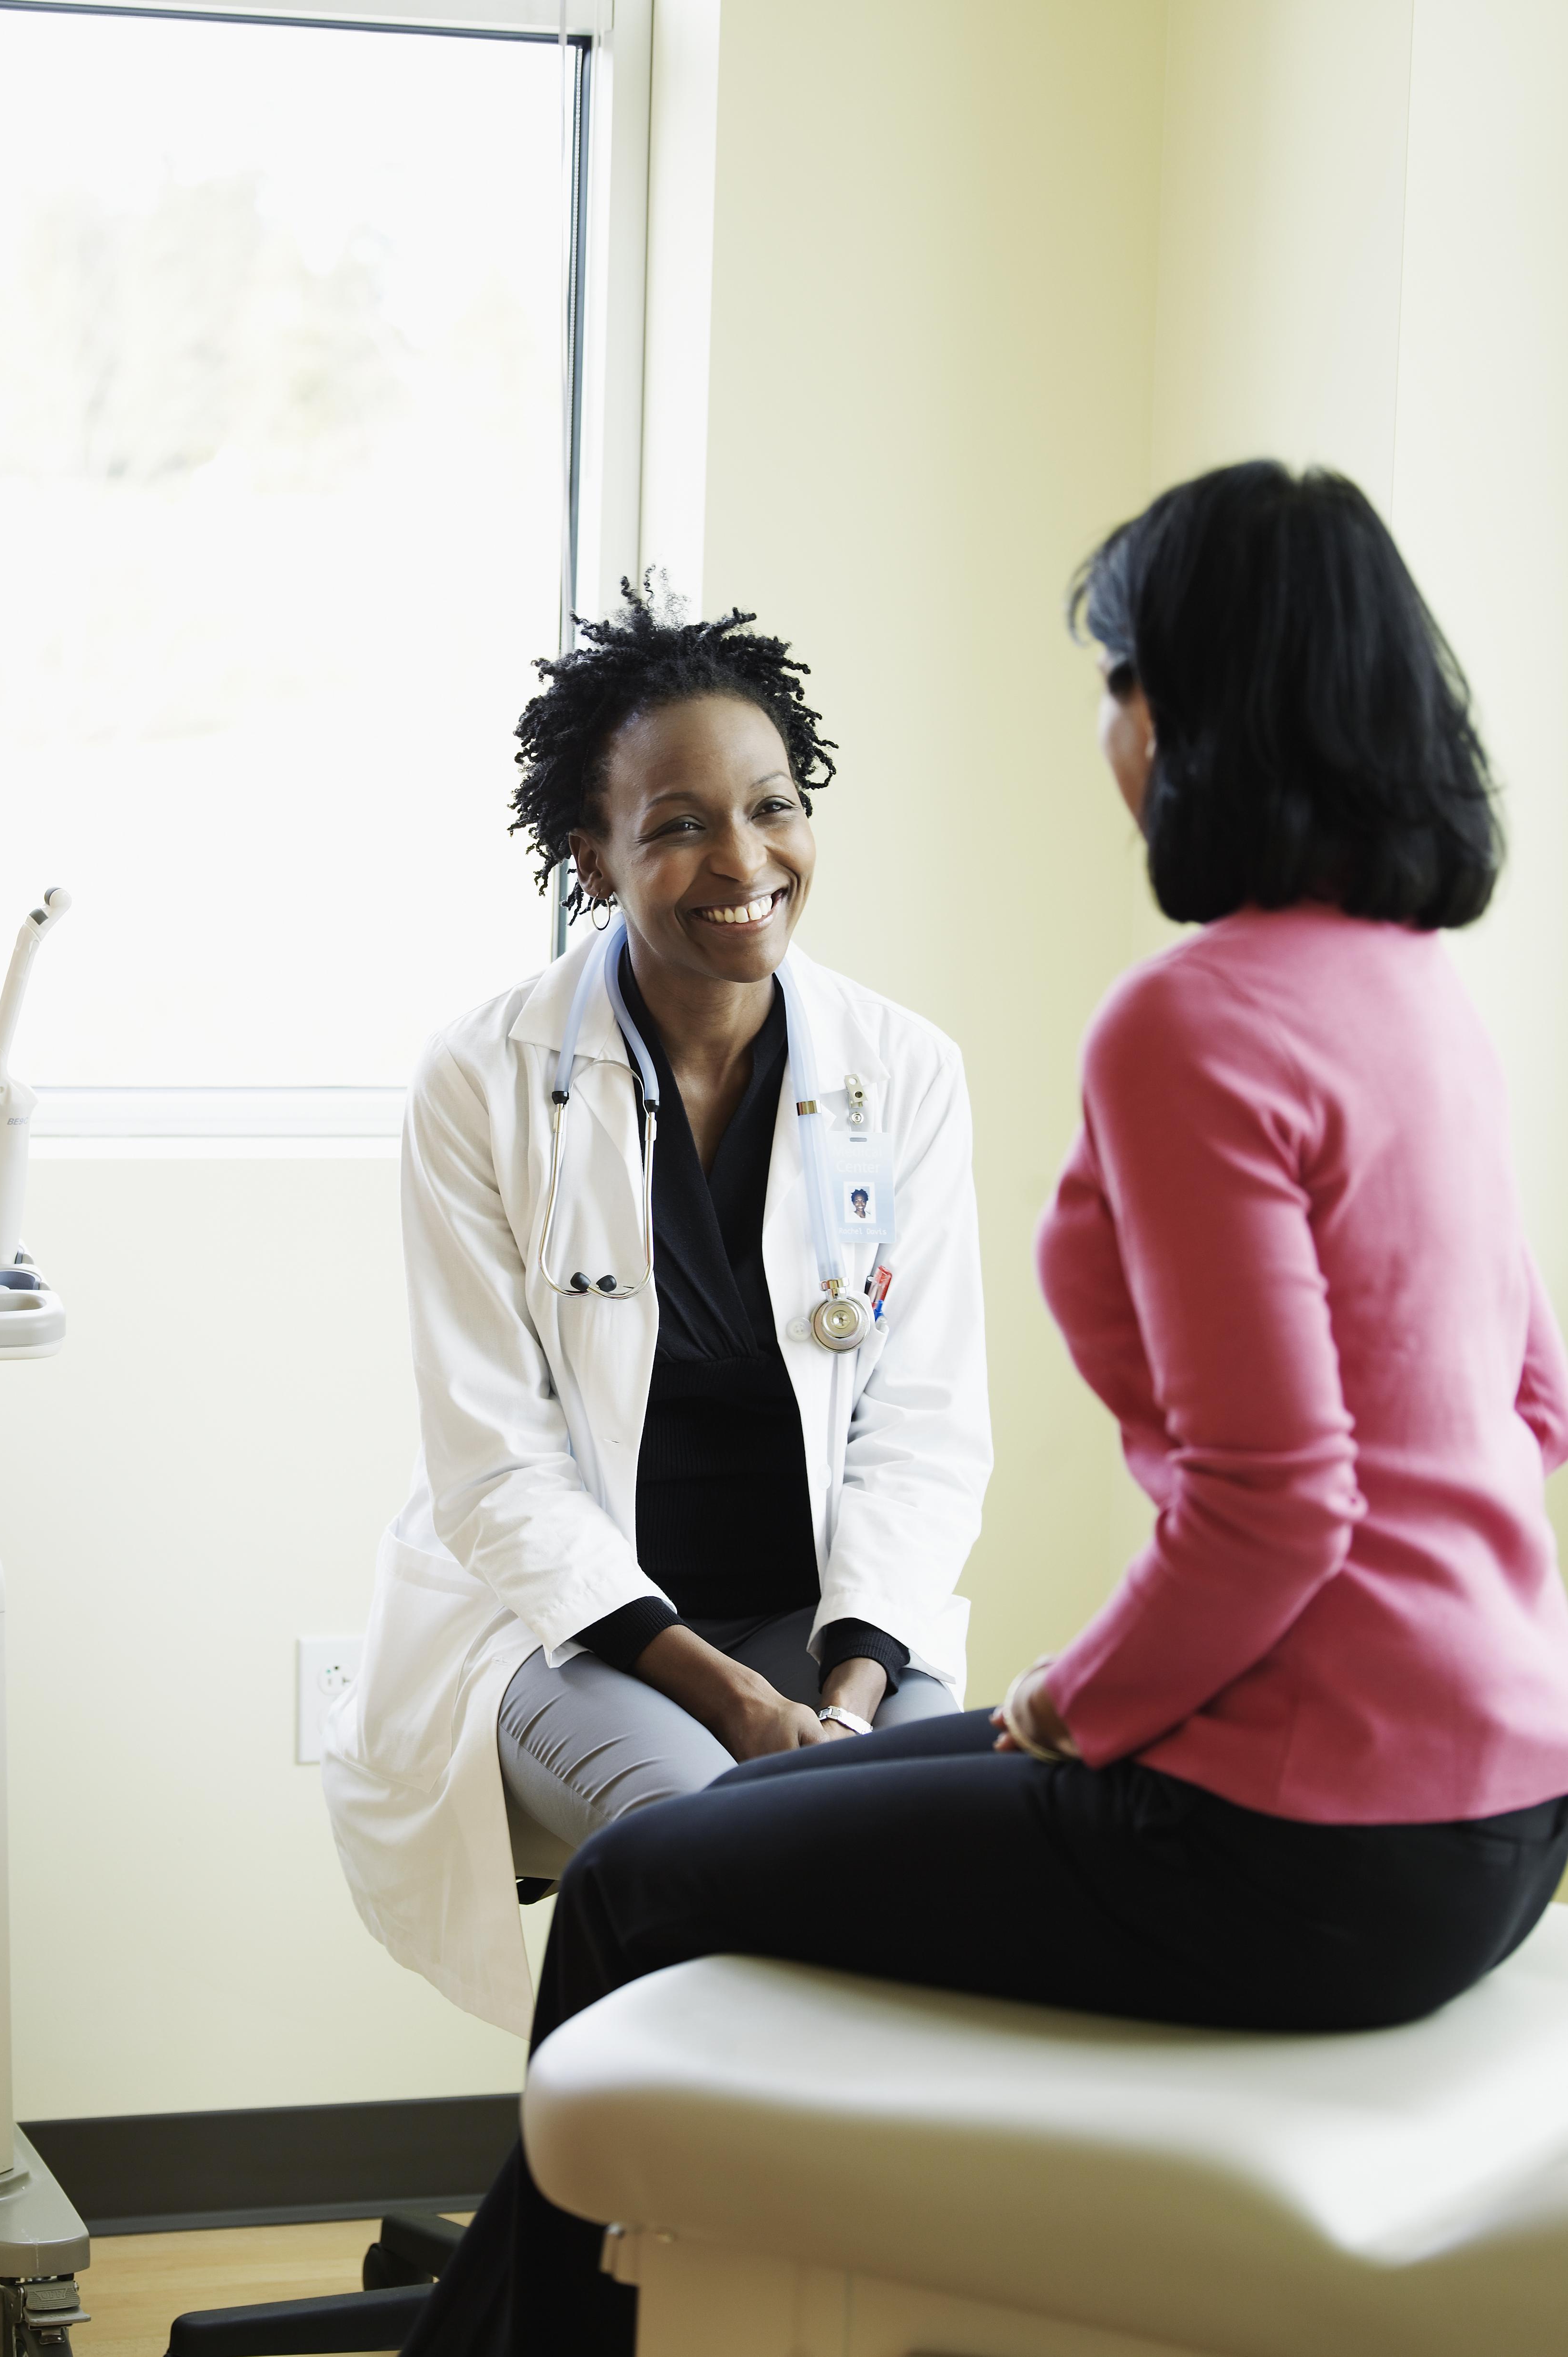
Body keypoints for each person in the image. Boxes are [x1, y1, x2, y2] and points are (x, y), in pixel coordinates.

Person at [397, 462, 1568, 2357]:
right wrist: (1351, 1672)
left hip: (1291, 1842)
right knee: (700, 1842)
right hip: (1509, 1815)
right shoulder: (1420, 997)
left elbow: (1273, 1512)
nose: (1108, 727)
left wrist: (1083, 1702)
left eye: (1120, 681)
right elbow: (1523, 1405)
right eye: (679, 824)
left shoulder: (1185, 1021)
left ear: (1188, 717)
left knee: (634, 1888)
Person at [323, 582, 991, 2032]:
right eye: (679, 823)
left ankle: (839, 2244)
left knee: (937, 1856)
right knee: (701, 1844)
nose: (743, 860)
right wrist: (742, 1712)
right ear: (592, 854)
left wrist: (847, 1699)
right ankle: (614, 2240)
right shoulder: (482, 1079)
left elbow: (926, 1430)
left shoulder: (903, 1071)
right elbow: (495, 1468)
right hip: (569, 1631)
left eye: (773, 806)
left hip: (835, 1628)